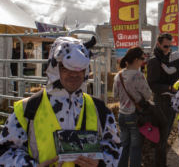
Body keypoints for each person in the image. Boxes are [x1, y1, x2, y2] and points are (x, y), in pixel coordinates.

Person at [0, 37, 122, 166]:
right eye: (65, 67)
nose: (74, 74)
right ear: (54, 69)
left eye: (80, 68)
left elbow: (114, 146)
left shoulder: (99, 109)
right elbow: (5, 151)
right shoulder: (26, 109)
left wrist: (100, 163)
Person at [113, 46, 152, 167]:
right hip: (135, 116)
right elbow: (148, 95)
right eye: (142, 58)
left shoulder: (118, 75)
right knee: (135, 149)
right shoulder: (138, 75)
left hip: (122, 115)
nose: (143, 61)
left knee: (123, 147)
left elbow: (115, 96)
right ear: (136, 60)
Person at [147, 33, 179, 167]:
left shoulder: (169, 59)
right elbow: (152, 84)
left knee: (164, 138)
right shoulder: (154, 61)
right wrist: (170, 88)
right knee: (160, 139)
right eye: (165, 46)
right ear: (158, 44)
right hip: (161, 103)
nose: (168, 48)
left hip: (170, 102)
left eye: (170, 46)